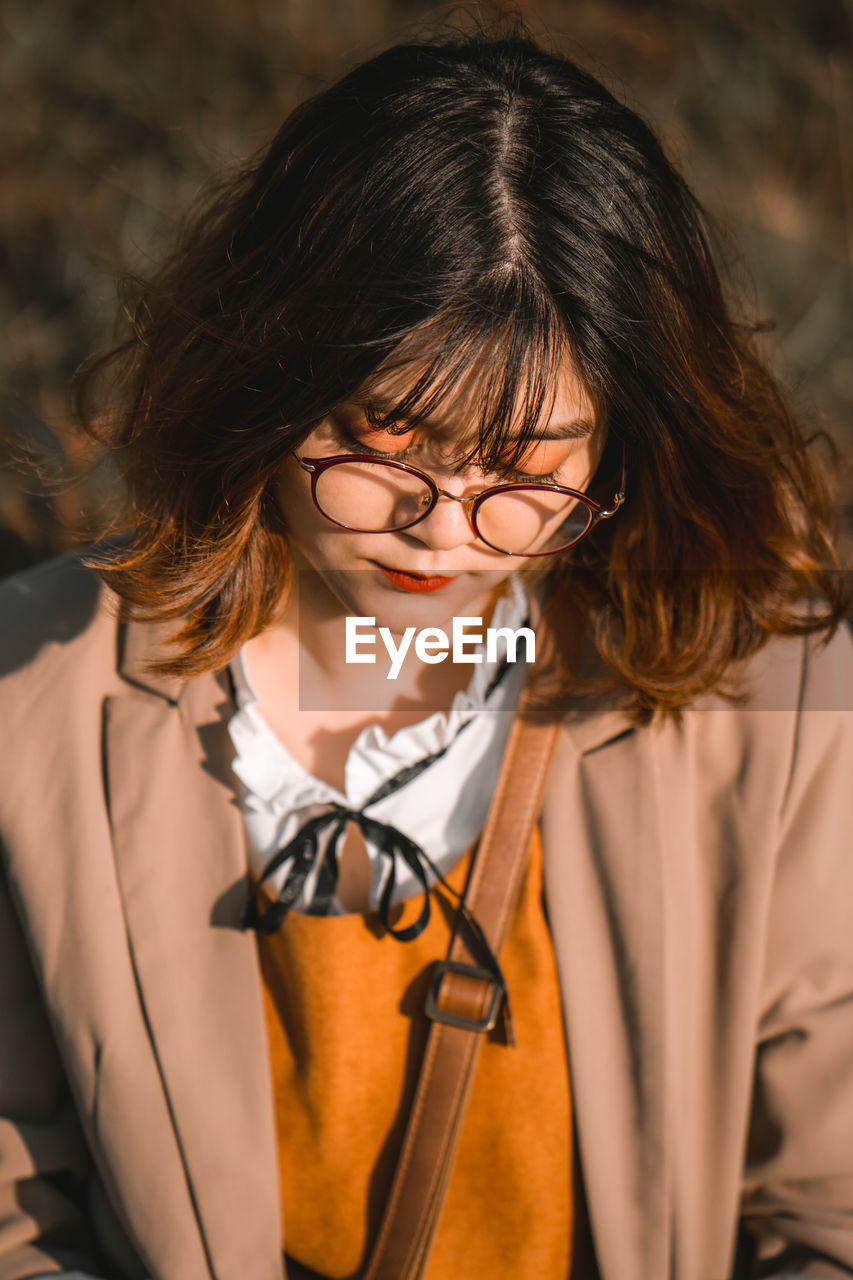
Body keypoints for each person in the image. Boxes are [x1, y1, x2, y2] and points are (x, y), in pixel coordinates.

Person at [1, 26, 851, 1280]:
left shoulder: (768, 683)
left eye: (526, 470)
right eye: (382, 440)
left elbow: (829, 1206)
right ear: (265, 374)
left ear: (621, 449)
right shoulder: (32, 697)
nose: (442, 530)